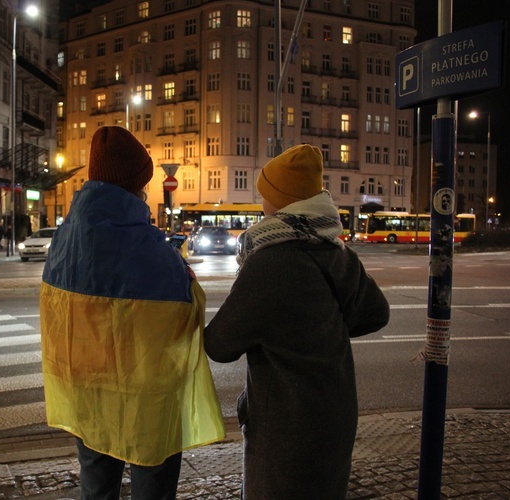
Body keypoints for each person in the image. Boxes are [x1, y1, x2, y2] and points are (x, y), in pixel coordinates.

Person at [40, 126, 225, 500]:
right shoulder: (150, 246)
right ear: (136, 183)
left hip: (87, 386)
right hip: (145, 391)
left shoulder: (65, 238)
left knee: (96, 482)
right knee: (152, 476)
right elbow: (186, 311)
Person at [203, 144, 390, 499]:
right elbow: (376, 312)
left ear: (281, 201)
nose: (262, 203)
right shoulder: (336, 250)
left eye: (265, 195)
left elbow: (219, 344)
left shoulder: (269, 263)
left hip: (285, 429)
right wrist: (319, 328)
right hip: (336, 413)